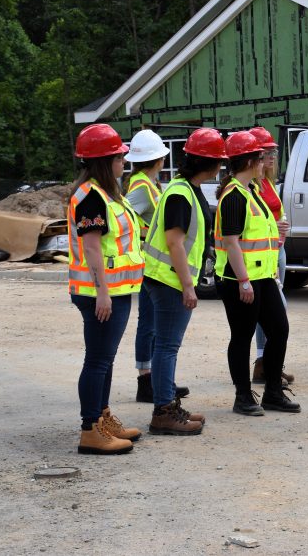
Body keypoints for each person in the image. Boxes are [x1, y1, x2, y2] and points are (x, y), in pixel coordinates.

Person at [142, 128, 227, 435]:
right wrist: (188, 286)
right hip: (169, 281)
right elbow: (175, 243)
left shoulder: (185, 188)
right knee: (167, 346)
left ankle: (167, 405)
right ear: (212, 164)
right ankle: (163, 411)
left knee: (166, 346)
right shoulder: (181, 193)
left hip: (165, 279)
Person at [68, 124, 144, 454]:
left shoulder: (108, 194)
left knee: (105, 359)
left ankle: (102, 417)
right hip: (99, 292)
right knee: (98, 360)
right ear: (104, 161)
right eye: (118, 157)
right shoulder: (91, 198)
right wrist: (102, 292)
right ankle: (90, 430)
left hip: (115, 289)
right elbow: (93, 249)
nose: (123, 162)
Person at [215, 131, 300, 416]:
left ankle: (273, 392)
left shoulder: (253, 191)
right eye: (261, 157)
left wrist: (277, 233)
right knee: (242, 336)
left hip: (262, 276)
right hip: (240, 280)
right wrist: (243, 281)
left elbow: (258, 234)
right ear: (250, 160)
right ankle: (242, 397)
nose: (265, 162)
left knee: (279, 329)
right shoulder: (234, 196)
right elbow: (231, 242)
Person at [124, 128, 190, 404]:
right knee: (149, 323)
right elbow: (125, 218)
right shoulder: (141, 186)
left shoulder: (148, 183)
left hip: (150, 261)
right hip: (147, 263)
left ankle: (156, 380)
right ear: (159, 160)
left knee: (152, 323)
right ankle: (146, 380)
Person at [247, 126, 295, 387]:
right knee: (274, 311)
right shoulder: (250, 185)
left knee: (272, 310)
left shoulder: (267, 182)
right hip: (263, 253)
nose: (272, 156)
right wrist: (275, 229)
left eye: (274, 152)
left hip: (277, 249)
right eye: (266, 152)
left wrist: (283, 225)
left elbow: (276, 213)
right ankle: (263, 362)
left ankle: (268, 363)